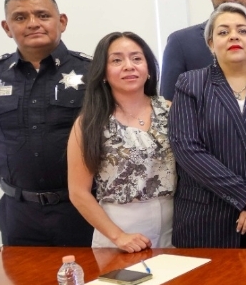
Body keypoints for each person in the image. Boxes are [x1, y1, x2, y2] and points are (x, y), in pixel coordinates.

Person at [0, 0, 93, 246]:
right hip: (19, 213)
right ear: (7, 27)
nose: (33, 23)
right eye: (20, 17)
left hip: (85, 209)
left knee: (94, 284)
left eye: (42, 15)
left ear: (62, 22)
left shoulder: (93, 73)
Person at [169, 3, 246, 248]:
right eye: (223, 32)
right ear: (211, 44)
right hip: (204, 219)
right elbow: (187, 149)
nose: (233, 36)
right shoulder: (190, 83)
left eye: (242, 31)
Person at [67, 32, 175, 252]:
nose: (129, 66)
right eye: (117, 60)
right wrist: (119, 237)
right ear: (103, 72)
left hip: (173, 225)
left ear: (148, 68)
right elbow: (78, 192)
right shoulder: (90, 122)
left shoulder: (171, 110)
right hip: (117, 229)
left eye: (137, 58)